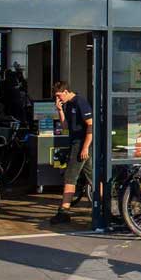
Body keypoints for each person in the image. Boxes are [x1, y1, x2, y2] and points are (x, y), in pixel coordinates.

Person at [51, 79, 93, 225]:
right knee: (92, 175)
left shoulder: (80, 102)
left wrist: (85, 146)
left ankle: (64, 211)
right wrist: (60, 109)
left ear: (66, 91)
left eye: (59, 96)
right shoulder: (68, 105)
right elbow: (65, 127)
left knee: (70, 177)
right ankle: (102, 206)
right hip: (75, 142)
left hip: (81, 143)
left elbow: (90, 125)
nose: (58, 98)